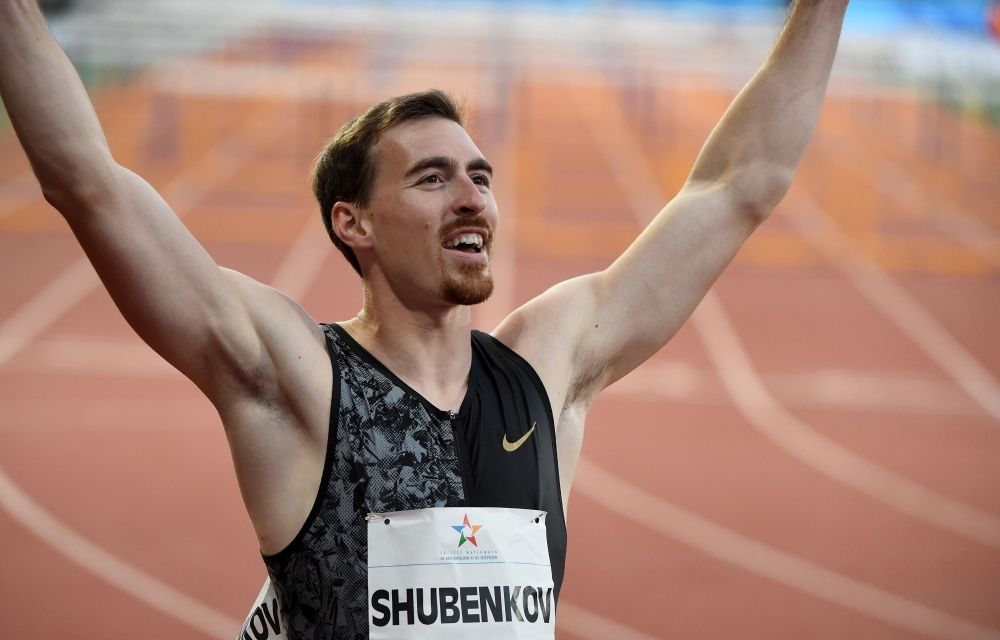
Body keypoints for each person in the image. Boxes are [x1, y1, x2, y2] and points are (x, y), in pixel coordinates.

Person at [0, 0, 849, 637]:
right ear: (353, 223)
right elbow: (87, 180)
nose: (472, 195)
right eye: (432, 178)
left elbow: (734, 188)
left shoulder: (544, 371)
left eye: (480, 175)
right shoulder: (300, 382)